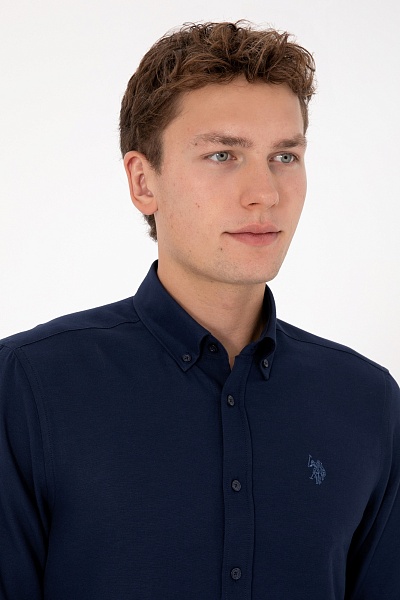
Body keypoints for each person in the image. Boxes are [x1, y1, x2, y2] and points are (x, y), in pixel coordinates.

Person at [0, 21, 399, 600]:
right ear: (144, 182)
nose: (265, 192)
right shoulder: (26, 386)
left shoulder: (367, 402)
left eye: (284, 155)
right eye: (222, 154)